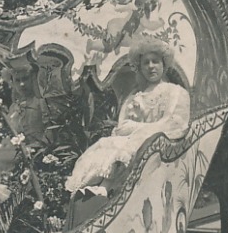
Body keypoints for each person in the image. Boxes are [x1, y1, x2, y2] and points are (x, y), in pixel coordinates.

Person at [65, 35, 190, 197]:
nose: (151, 66)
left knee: (127, 146)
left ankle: (105, 188)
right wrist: (133, 130)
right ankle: (94, 187)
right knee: (107, 144)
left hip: (158, 147)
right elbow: (122, 126)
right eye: (146, 63)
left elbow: (174, 124)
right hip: (134, 143)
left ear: (163, 64)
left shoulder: (175, 92)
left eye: (155, 61)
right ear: (140, 67)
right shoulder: (134, 96)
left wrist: (138, 130)